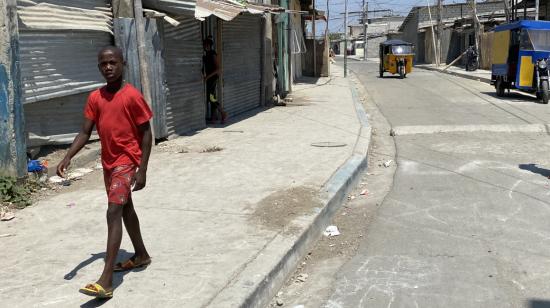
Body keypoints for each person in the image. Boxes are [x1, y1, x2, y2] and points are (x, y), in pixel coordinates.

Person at [57, 46, 152, 299]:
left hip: (126, 161)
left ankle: (106, 280)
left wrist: (141, 169)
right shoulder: (95, 98)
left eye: (113, 62)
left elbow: (146, 133)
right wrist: (67, 156)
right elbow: (85, 132)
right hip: (108, 163)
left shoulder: (132, 96)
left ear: (123, 64)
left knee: (113, 211)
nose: (108, 67)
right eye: (103, 64)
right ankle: (141, 255)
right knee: (126, 208)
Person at [203, 38, 227, 124]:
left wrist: (207, 77)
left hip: (212, 78)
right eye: (204, 45)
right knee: (212, 97)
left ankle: (223, 113)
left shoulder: (213, 54)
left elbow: (218, 69)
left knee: (211, 98)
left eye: (206, 45)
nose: (205, 46)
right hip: (209, 78)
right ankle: (213, 118)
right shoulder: (207, 54)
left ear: (209, 45)